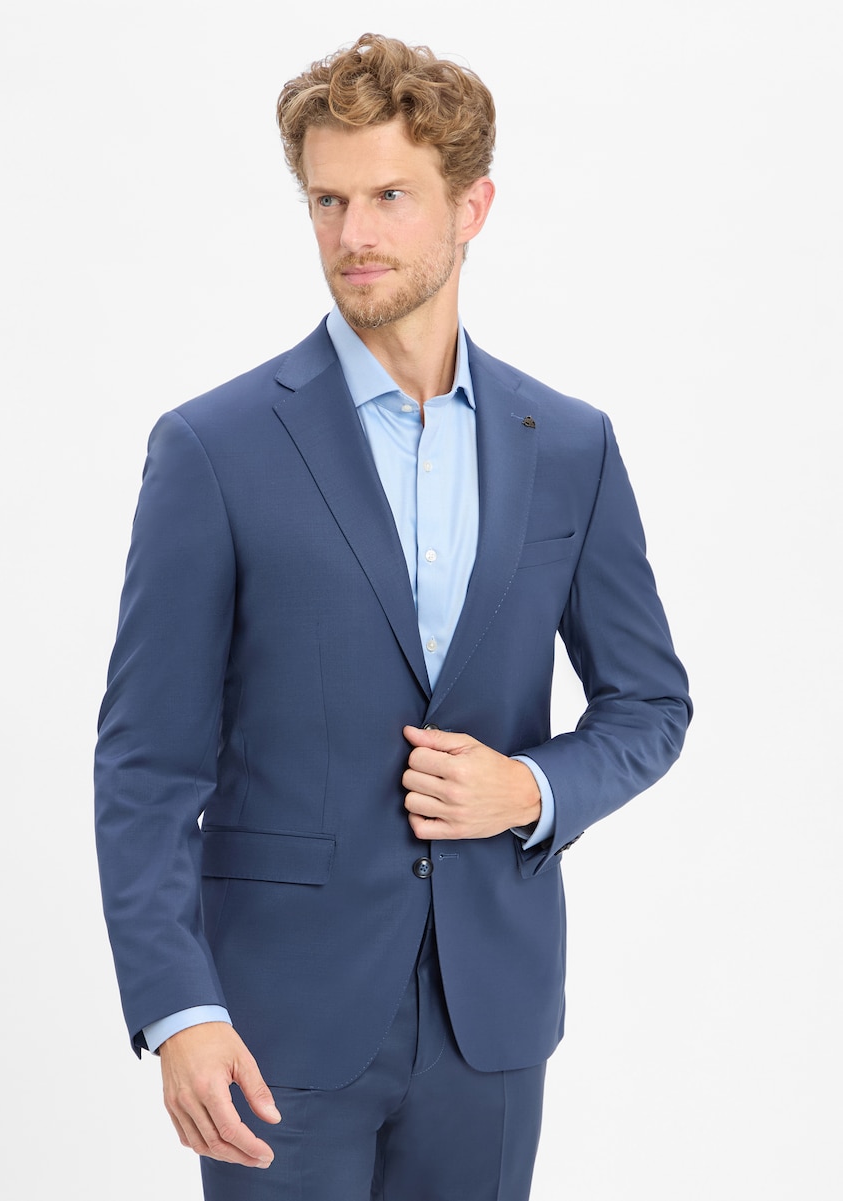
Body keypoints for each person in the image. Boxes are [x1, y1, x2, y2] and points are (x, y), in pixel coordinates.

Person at [95, 32, 691, 1201]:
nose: (353, 234)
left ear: (473, 208)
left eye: (389, 197)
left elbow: (651, 702)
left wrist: (532, 789)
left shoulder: (569, 446)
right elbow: (146, 764)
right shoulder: (213, 448)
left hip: (491, 1019)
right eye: (327, 200)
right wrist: (178, 1008)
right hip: (271, 1028)